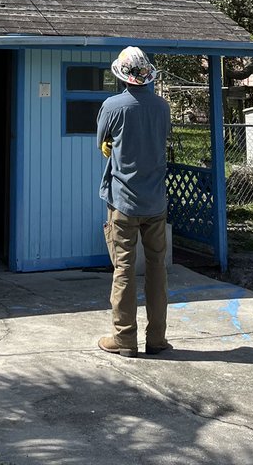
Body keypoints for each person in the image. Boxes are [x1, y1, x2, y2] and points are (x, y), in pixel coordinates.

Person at [96, 46, 171, 358]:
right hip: (156, 200)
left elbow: (101, 140)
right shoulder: (163, 107)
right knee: (157, 268)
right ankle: (157, 339)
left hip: (123, 200)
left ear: (121, 76)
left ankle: (125, 338)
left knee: (124, 268)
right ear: (147, 75)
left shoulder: (113, 106)